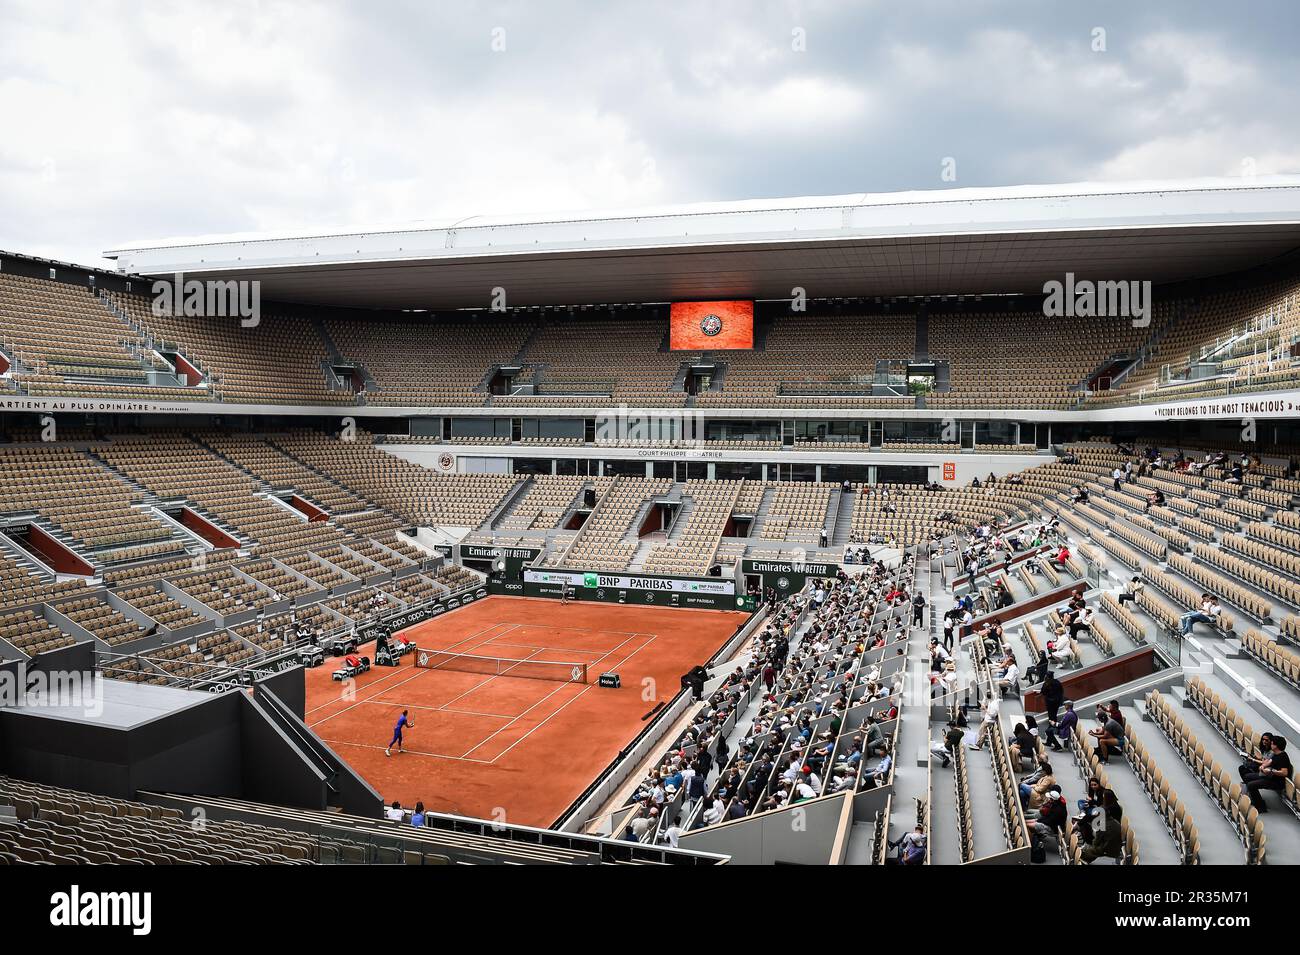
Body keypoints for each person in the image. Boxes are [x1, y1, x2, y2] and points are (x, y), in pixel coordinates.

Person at [1241, 736, 1291, 812]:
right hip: (1269, 776)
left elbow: (1284, 773)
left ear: (1276, 746)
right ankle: (1253, 797)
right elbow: (1269, 762)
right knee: (1247, 777)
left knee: (1251, 785)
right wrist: (1263, 766)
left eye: (1272, 744)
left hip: (1276, 781)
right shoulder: (1275, 754)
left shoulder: (1283, 757)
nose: (1271, 745)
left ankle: (1261, 806)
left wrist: (1271, 771)